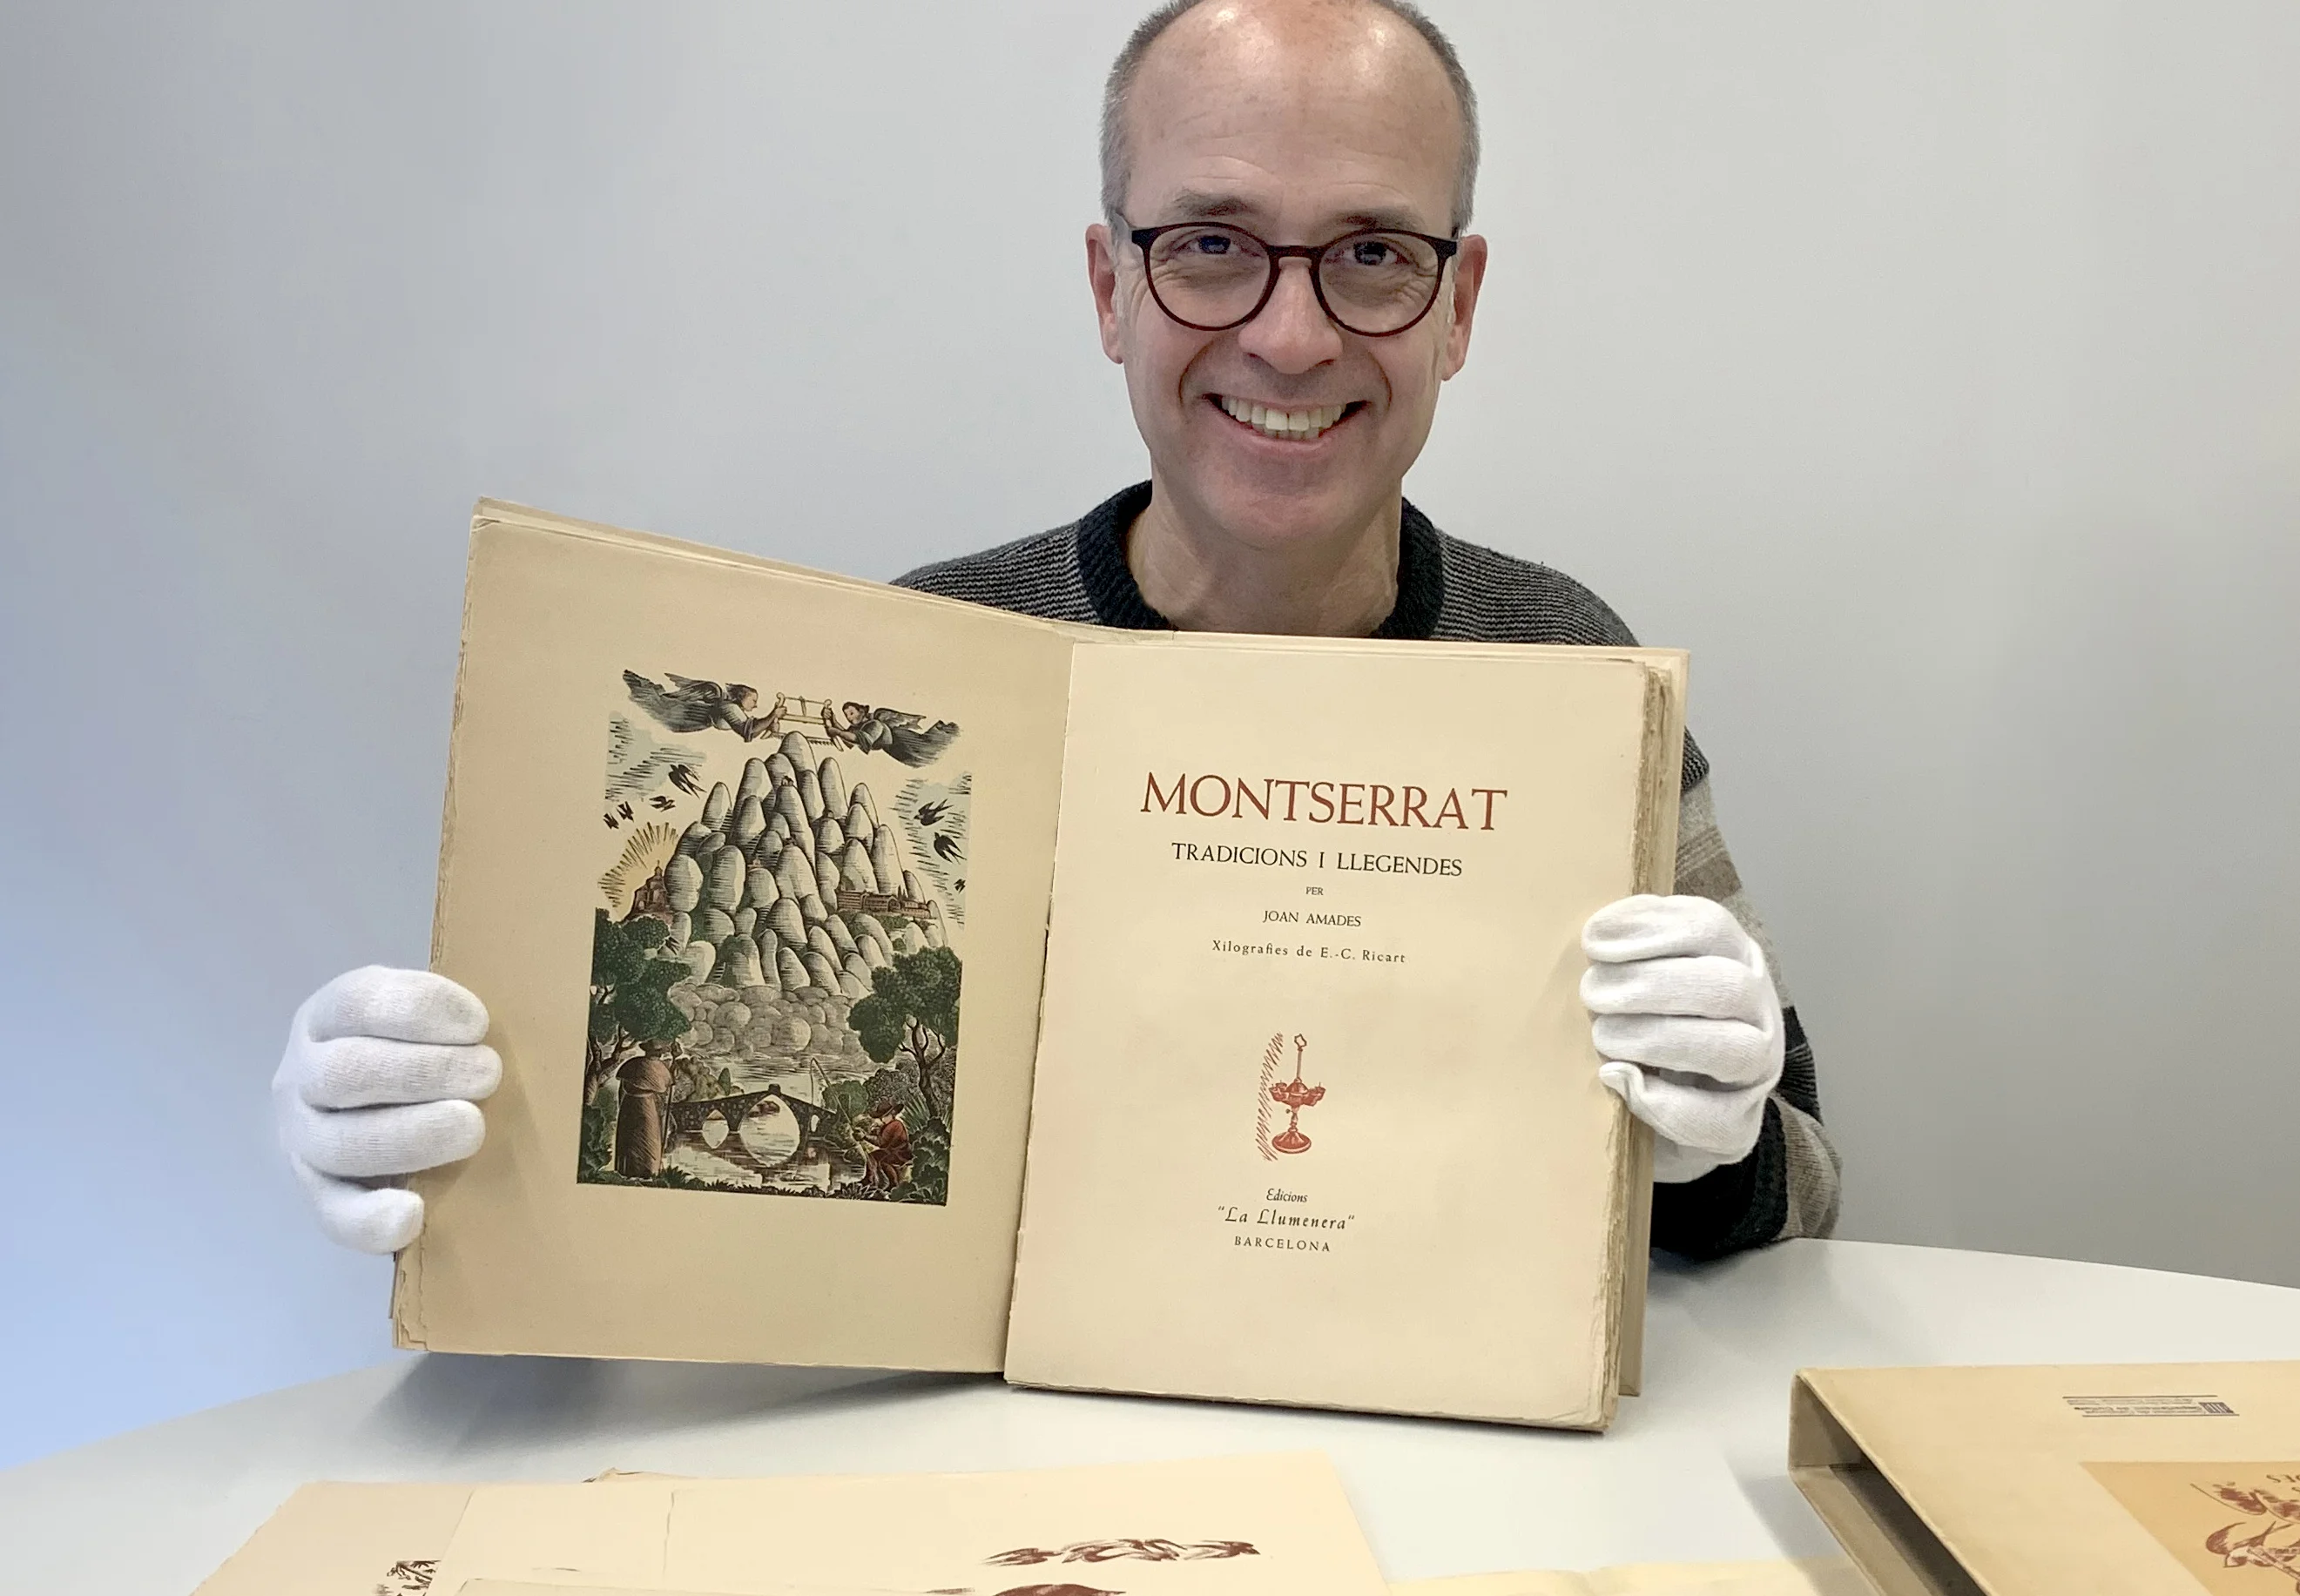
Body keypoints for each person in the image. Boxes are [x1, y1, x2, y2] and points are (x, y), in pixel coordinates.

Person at [273, 0, 1838, 1266]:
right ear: (1110, 288)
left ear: (1458, 306)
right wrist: (462, 1135)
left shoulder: (1571, 671)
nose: (1292, 335)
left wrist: (1710, 1142)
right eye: (1210, 243)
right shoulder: (908, 678)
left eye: (1374, 253)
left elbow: (1811, 1179)